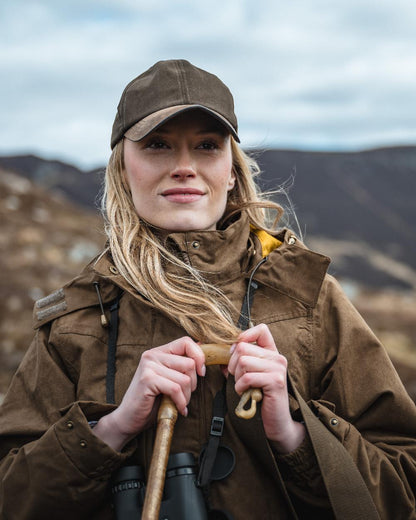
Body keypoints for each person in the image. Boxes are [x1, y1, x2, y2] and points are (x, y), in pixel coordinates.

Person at [0, 59, 415, 520]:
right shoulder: (74, 320)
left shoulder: (311, 300)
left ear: (232, 171)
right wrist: (112, 430)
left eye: (206, 146)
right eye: (157, 145)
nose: (183, 167)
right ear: (121, 169)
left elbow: (404, 488)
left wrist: (295, 434)